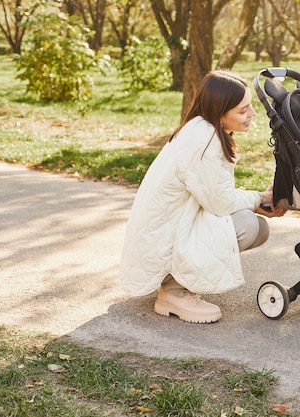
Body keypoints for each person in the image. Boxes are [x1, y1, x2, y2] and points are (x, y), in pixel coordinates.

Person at [120, 70, 286, 324]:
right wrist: (258, 199)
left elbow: (215, 193)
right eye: (243, 110)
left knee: (255, 226)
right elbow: (220, 203)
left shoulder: (203, 129)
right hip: (164, 237)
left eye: (250, 106)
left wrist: (258, 200)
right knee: (250, 226)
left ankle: (175, 281)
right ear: (220, 112)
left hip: (173, 226)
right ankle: (173, 291)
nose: (252, 114)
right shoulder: (203, 141)